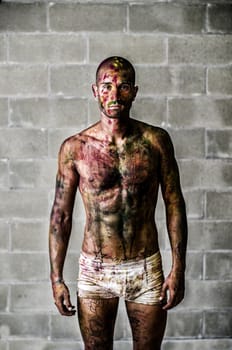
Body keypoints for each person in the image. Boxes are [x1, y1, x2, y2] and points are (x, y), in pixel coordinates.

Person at [49, 56, 188, 350]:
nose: (114, 94)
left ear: (134, 92)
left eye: (123, 86)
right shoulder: (75, 148)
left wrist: (179, 268)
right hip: (95, 271)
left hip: (145, 267)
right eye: (107, 86)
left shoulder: (156, 141)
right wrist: (57, 277)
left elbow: (174, 203)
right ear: (95, 91)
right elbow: (61, 215)